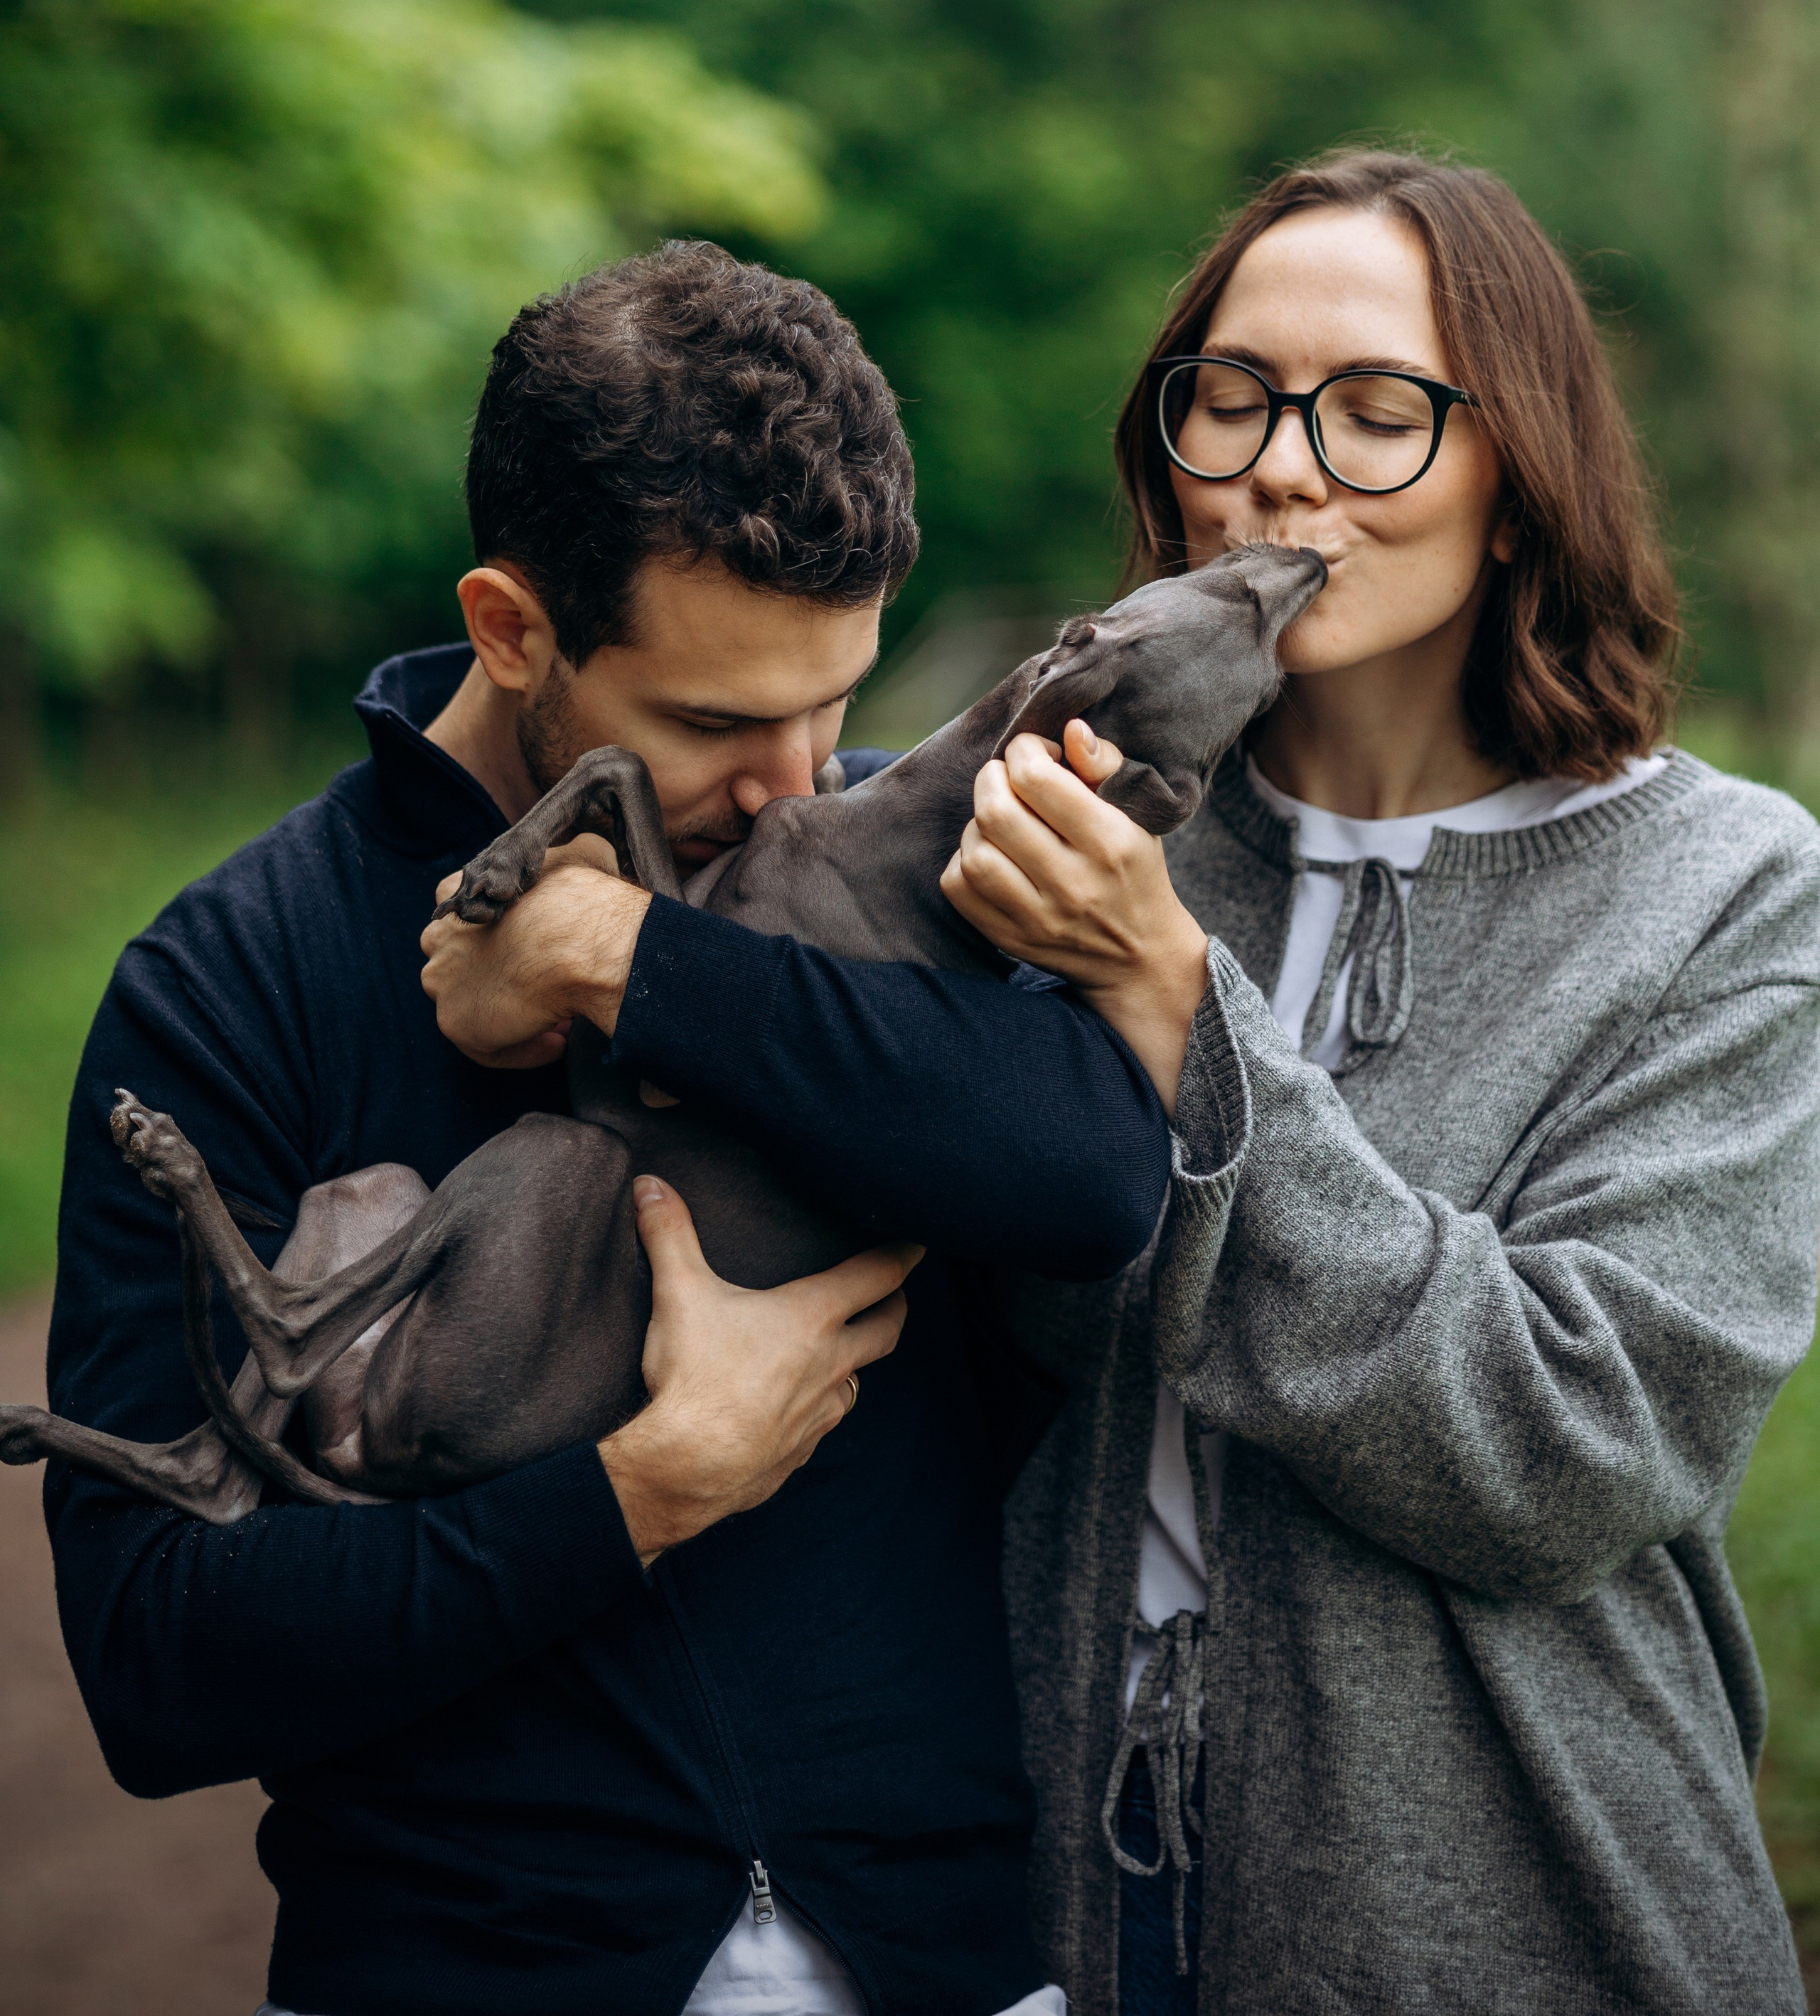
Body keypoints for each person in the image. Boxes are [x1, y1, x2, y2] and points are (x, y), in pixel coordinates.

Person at [44, 242, 1174, 2016]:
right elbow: (156, 1667)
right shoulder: (234, 976)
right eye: (717, 719)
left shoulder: (888, 861)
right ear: (512, 627)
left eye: (839, 700)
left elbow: (1099, 1180)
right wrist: (641, 1492)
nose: (802, 783)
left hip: (947, 1963)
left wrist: (636, 960)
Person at [934, 148, 1820, 2015]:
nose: (1283, 463)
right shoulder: (1067, 839)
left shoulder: (1727, 895)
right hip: (1054, 1906)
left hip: (1512, 1917)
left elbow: (1569, 1444)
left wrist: (1185, 1014)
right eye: (1233, 397)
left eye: (1379, 412)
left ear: (1520, 487)